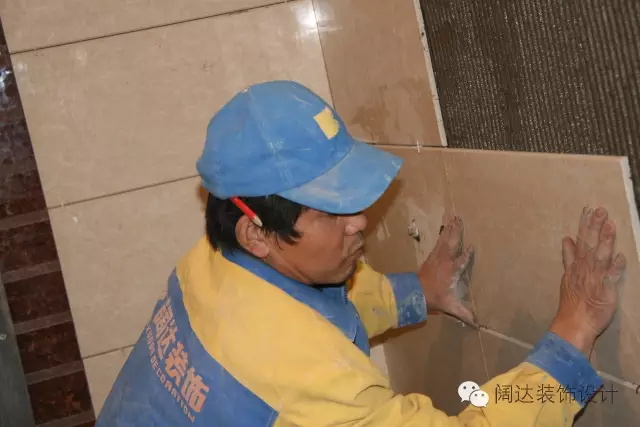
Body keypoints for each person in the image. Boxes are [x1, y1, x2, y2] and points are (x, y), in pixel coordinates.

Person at [96, 80, 626, 426]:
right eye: (329, 212)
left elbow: (306, 305)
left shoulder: (212, 262)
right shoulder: (304, 379)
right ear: (256, 232)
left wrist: (416, 292)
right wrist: (570, 340)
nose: (360, 222)